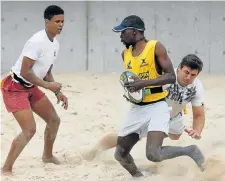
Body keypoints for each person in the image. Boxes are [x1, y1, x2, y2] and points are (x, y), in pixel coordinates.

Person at [83, 15, 205, 177]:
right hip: (139, 108)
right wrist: (132, 93)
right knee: (120, 152)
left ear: (134, 32)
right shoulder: (125, 54)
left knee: (159, 149)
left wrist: (142, 84)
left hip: (160, 108)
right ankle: (135, 174)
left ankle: (190, 150)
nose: (120, 36)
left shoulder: (155, 47)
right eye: (186, 72)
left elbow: (171, 80)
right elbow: (133, 82)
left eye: (123, 32)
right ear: (181, 68)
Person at [1, 5, 68, 176]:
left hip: (31, 86)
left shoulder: (55, 44)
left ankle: (47, 156)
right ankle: (6, 168)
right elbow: (25, 71)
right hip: (14, 87)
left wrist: (57, 92)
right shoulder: (37, 41)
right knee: (29, 130)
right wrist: (47, 86)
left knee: (54, 120)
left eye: (62, 21)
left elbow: (47, 71)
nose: (60, 25)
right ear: (47, 22)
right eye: (57, 21)